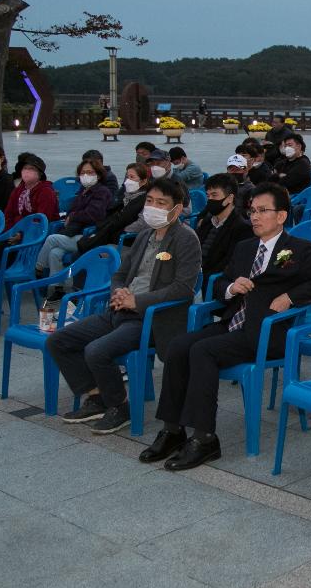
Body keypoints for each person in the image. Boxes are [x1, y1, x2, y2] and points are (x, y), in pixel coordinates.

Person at [143, 183, 311, 468]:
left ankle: (205, 438)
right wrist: (231, 287)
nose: (256, 217)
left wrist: (289, 297)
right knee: (179, 346)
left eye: (263, 211)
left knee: (203, 351)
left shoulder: (298, 249)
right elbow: (219, 283)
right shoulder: (245, 248)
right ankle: (172, 430)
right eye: (252, 211)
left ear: (282, 216)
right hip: (233, 324)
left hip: (266, 332)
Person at [50, 178, 201, 434]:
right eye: (150, 201)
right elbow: (121, 273)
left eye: (161, 203)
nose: (152, 207)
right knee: (58, 341)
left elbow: (184, 288)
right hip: (120, 310)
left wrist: (137, 301)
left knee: (96, 351)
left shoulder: (186, 239)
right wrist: (118, 292)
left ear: (176, 209)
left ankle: (120, 407)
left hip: (151, 318)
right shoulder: (144, 236)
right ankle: (97, 396)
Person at [34, 158, 114, 276]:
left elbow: (94, 214)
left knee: (51, 239)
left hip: (89, 235)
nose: (86, 175)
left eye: (90, 172)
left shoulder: (102, 192)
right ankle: (57, 287)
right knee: (55, 253)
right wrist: (70, 216)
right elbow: (71, 210)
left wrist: (73, 217)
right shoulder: (82, 191)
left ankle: (38, 268)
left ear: (98, 174)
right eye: (83, 173)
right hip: (74, 232)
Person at [76, 163, 150, 253]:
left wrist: (123, 231)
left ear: (143, 181)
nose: (128, 181)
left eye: (132, 177)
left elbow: (141, 223)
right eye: (127, 177)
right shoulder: (124, 198)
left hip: (126, 239)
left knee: (90, 251)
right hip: (110, 233)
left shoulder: (146, 199)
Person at [195, 174, 254, 277]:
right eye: (208, 196)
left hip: (209, 277)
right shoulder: (207, 221)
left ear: (230, 198)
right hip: (194, 269)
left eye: (214, 195)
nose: (210, 200)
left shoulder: (242, 228)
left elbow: (227, 264)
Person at [3, 153, 59, 234]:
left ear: (40, 174)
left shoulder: (46, 192)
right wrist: (9, 232)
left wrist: (22, 234)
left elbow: (41, 219)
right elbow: (8, 214)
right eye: (25, 168)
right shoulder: (18, 190)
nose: (27, 171)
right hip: (15, 231)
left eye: (32, 169)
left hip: (39, 233)